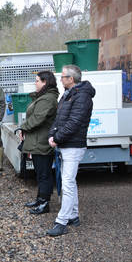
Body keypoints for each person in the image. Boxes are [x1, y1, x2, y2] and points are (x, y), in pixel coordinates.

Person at [47, 65, 95, 236]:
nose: (60, 79)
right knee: (70, 181)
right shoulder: (68, 95)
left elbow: (74, 123)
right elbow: (59, 119)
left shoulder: (82, 97)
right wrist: (52, 134)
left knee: (66, 182)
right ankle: (73, 215)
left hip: (74, 146)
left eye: (63, 76)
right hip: (66, 144)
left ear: (71, 79)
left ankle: (62, 221)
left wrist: (57, 138)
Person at [18, 71, 59, 215]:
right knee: (40, 173)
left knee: (44, 173)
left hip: (41, 141)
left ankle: (44, 203)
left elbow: (37, 118)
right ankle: (40, 198)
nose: (35, 83)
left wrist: (23, 127)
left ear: (45, 82)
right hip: (37, 140)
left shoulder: (48, 99)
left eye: (37, 81)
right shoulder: (43, 97)